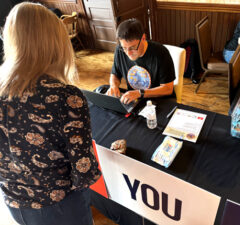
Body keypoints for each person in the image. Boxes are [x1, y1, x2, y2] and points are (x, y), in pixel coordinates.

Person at [0, 2, 101, 225]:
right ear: (55, 42)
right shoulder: (66, 97)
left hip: (12, 200)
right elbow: (84, 172)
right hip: (60, 206)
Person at [98, 18, 175, 104]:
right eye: (124, 48)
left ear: (143, 38)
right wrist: (113, 85)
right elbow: (115, 74)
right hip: (135, 100)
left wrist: (139, 93)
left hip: (159, 101)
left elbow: (168, 89)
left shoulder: (161, 53)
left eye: (132, 48)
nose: (128, 53)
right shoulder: (119, 51)